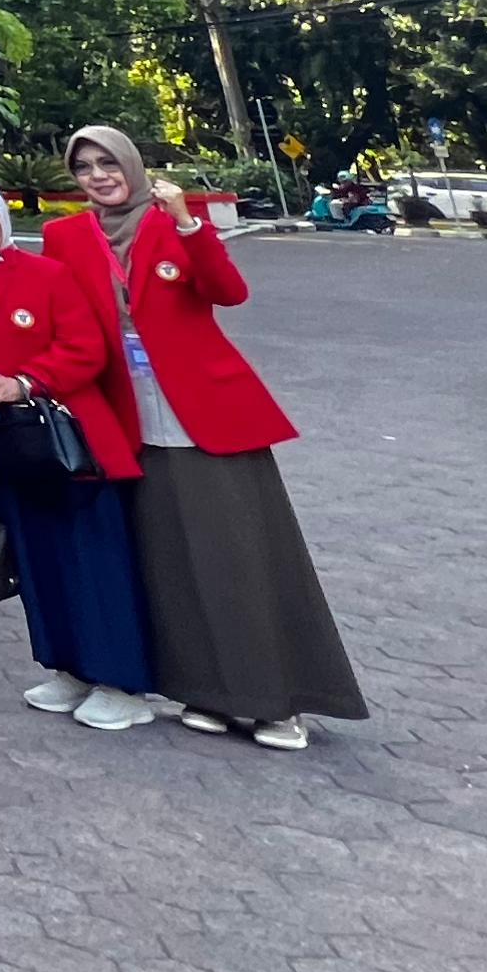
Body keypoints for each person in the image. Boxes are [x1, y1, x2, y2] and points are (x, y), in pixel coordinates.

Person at [46, 125, 364, 749]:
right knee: (168, 563)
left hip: (207, 417)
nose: (98, 176)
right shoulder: (64, 237)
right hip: (126, 422)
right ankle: (206, 693)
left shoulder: (172, 223)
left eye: (108, 162)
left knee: (240, 556)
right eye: (84, 168)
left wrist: (189, 226)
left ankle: (275, 700)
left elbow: (228, 292)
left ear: (132, 165)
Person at [0, 172, 159, 733]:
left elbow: (87, 349)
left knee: (92, 560)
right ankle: (69, 667)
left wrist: (24, 382)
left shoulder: (44, 274)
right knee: (36, 560)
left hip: (66, 447)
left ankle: (121, 681)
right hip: (2, 451)